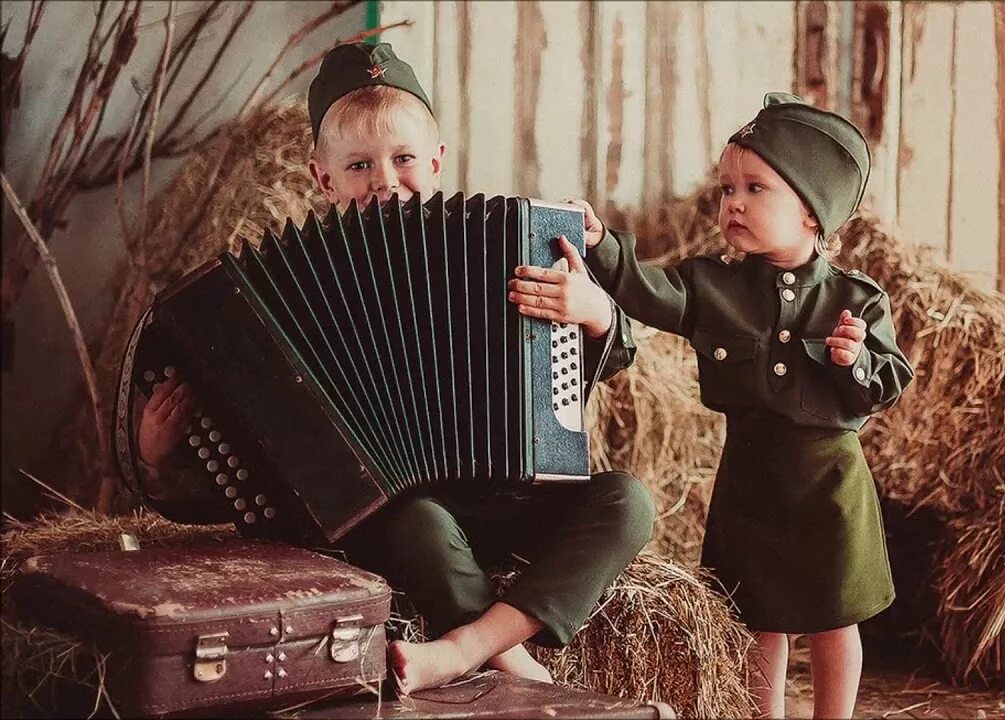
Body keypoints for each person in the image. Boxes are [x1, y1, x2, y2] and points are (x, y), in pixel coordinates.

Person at [130, 42, 655, 695]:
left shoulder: (500, 244)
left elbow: (607, 360)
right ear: (323, 179)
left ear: (435, 161)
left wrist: (598, 314)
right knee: (421, 521)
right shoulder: (282, 293)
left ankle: (468, 647)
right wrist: (158, 460)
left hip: (512, 499)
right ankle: (506, 656)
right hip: (398, 525)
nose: (385, 179)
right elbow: (242, 455)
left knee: (628, 501)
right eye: (359, 165)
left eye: (404, 158)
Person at [572, 92, 913, 718]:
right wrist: (600, 246)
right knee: (757, 617)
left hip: (829, 485)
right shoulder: (713, 285)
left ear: (812, 213)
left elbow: (888, 383)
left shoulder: (855, 300)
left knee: (834, 621)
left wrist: (855, 360)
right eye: (728, 189)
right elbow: (653, 295)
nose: (734, 203)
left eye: (757, 188)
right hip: (750, 481)